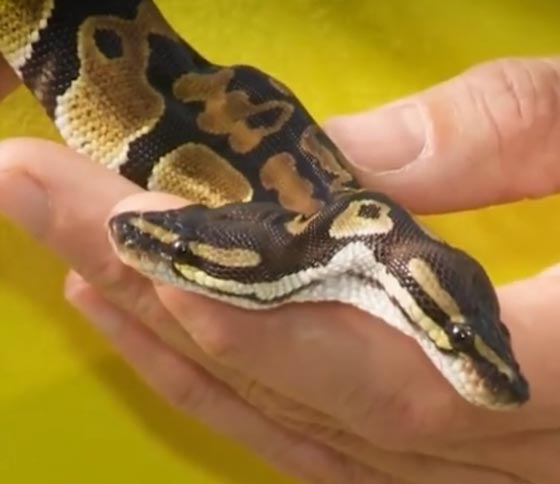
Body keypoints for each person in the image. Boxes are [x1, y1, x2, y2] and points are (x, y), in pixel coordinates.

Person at [0, 54, 558, 484]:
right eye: (183, 256)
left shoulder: (347, 249)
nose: (137, 243)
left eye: (184, 258)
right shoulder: (337, 244)